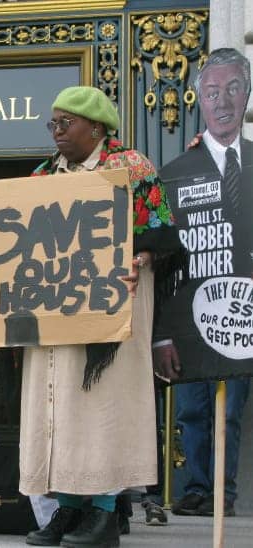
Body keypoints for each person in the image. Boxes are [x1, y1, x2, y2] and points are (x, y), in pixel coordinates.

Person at [0, 86, 185, 547]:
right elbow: (20, 247)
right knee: (57, 408)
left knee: (101, 409)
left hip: (113, 306)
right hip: (55, 313)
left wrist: (142, 258)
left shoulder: (132, 166)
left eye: (66, 123)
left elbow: (162, 234)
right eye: (54, 124)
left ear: (97, 128)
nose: (57, 132)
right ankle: (68, 506)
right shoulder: (44, 174)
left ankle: (104, 512)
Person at [155, 48, 252, 518]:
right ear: (198, 99)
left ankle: (225, 494)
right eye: (212, 91)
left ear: (247, 92)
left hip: (243, 319)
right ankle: (196, 489)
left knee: (230, 412)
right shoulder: (175, 175)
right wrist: (163, 334)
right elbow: (165, 262)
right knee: (192, 411)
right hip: (191, 318)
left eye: (233, 88)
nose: (223, 101)